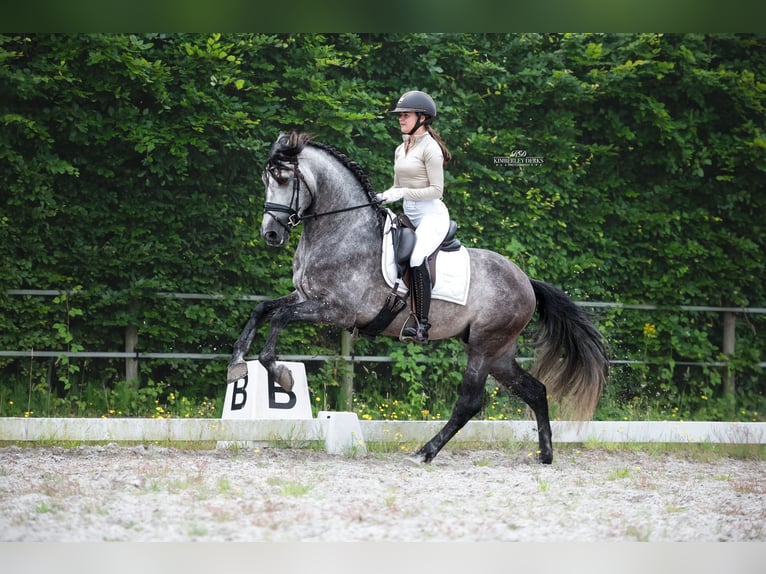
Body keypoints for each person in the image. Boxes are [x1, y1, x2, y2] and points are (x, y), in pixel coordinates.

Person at [375, 90, 452, 344]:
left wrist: (402, 192)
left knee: (418, 257)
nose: (400, 119)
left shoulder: (431, 149)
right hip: (409, 213)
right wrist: (384, 196)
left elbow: (437, 190)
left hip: (431, 215)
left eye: (405, 115)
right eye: (400, 115)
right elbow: (398, 186)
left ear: (422, 117)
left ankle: (422, 324)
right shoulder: (401, 148)